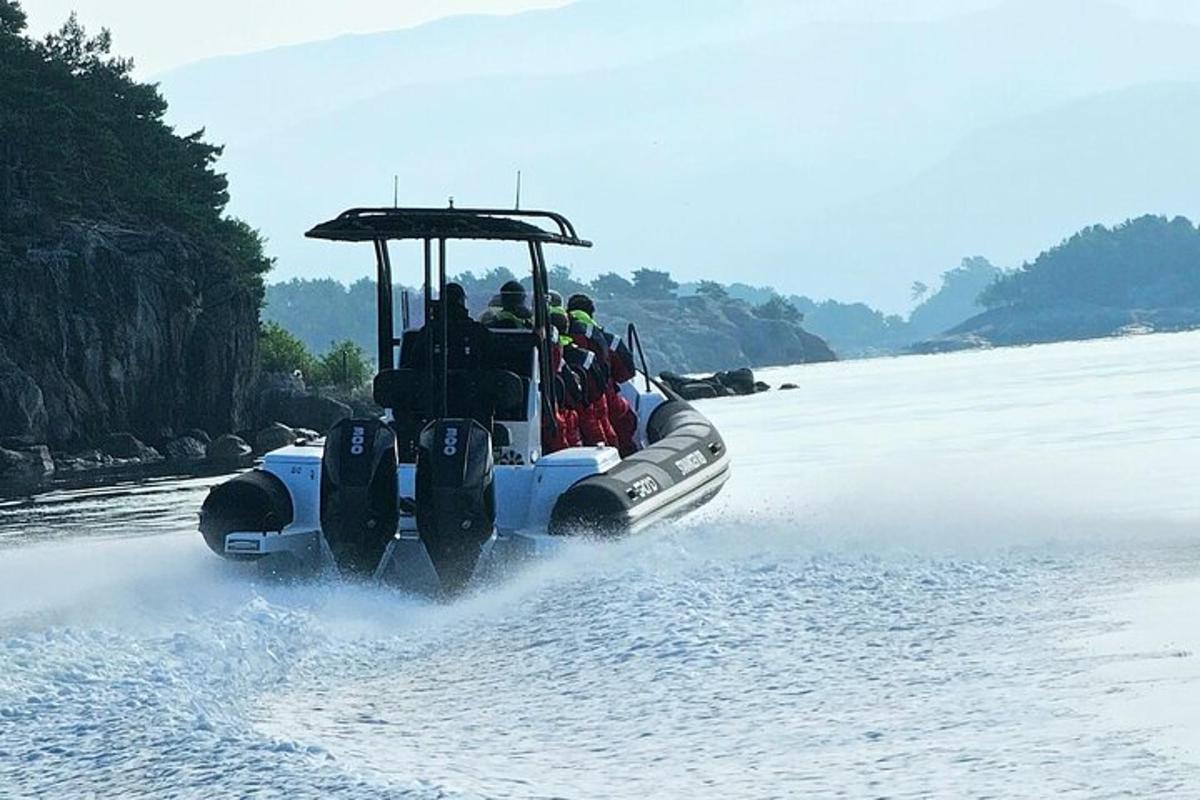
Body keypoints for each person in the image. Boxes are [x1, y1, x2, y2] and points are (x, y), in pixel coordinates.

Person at [567, 293, 639, 456]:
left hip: (567, 398)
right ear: (592, 313)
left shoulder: (560, 334)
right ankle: (625, 458)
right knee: (624, 421)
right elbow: (626, 373)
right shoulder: (606, 339)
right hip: (598, 396)